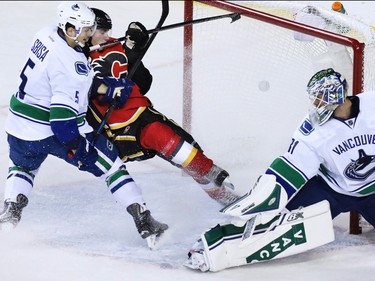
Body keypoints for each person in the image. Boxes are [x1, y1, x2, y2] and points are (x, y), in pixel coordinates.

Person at [0, 1, 168, 248]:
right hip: (53, 130)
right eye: (86, 29)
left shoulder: (45, 34)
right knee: (111, 167)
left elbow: (65, 76)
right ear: (69, 30)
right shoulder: (72, 67)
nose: (90, 34)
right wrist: (80, 149)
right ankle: (145, 222)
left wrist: (103, 88)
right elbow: (62, 120)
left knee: (24, 165)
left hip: (18, 126)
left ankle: (10, 214)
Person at [185, 68, 375, 271]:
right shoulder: (312, 128)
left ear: (334, 95)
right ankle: (214, 248)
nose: (315, 104)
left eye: (319, 98)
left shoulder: (372, 105)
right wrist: (263, 196)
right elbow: (292, 165)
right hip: (331, 190)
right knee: (278, 224)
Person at [85, 8, 240, 206]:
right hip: (116, 128)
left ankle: (222, 195)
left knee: (186, 148)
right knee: (161, 136)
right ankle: (213, 178)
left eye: (108, 31)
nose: (107, 36)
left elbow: (144, 83)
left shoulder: (113, 47)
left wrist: (134, 51)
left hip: (140, 113)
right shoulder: (77, 58)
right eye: (102, 32)